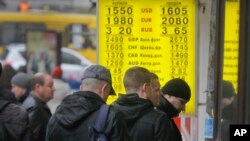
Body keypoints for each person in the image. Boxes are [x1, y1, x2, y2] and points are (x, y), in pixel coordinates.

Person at [46, 65, 131, 141]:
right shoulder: (111, 117)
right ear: (104, 89)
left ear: (81, 87)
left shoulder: (57, 114)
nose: (107, 98)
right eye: (108, 94)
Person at [112, 66, 171, 141]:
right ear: (145, 87)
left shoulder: (109, 113)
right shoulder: (159, 119)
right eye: (151, 87)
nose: (160, 93)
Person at [0, 62, 33, 141]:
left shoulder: (26, 107)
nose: (12, 90)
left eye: (14, 87)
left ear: (23, 87)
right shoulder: (19, 111)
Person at [22, 72, 54, 141]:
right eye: (50, 86)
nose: (53, 89)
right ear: (38, 87)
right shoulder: (34, 108)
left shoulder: (38, 103)